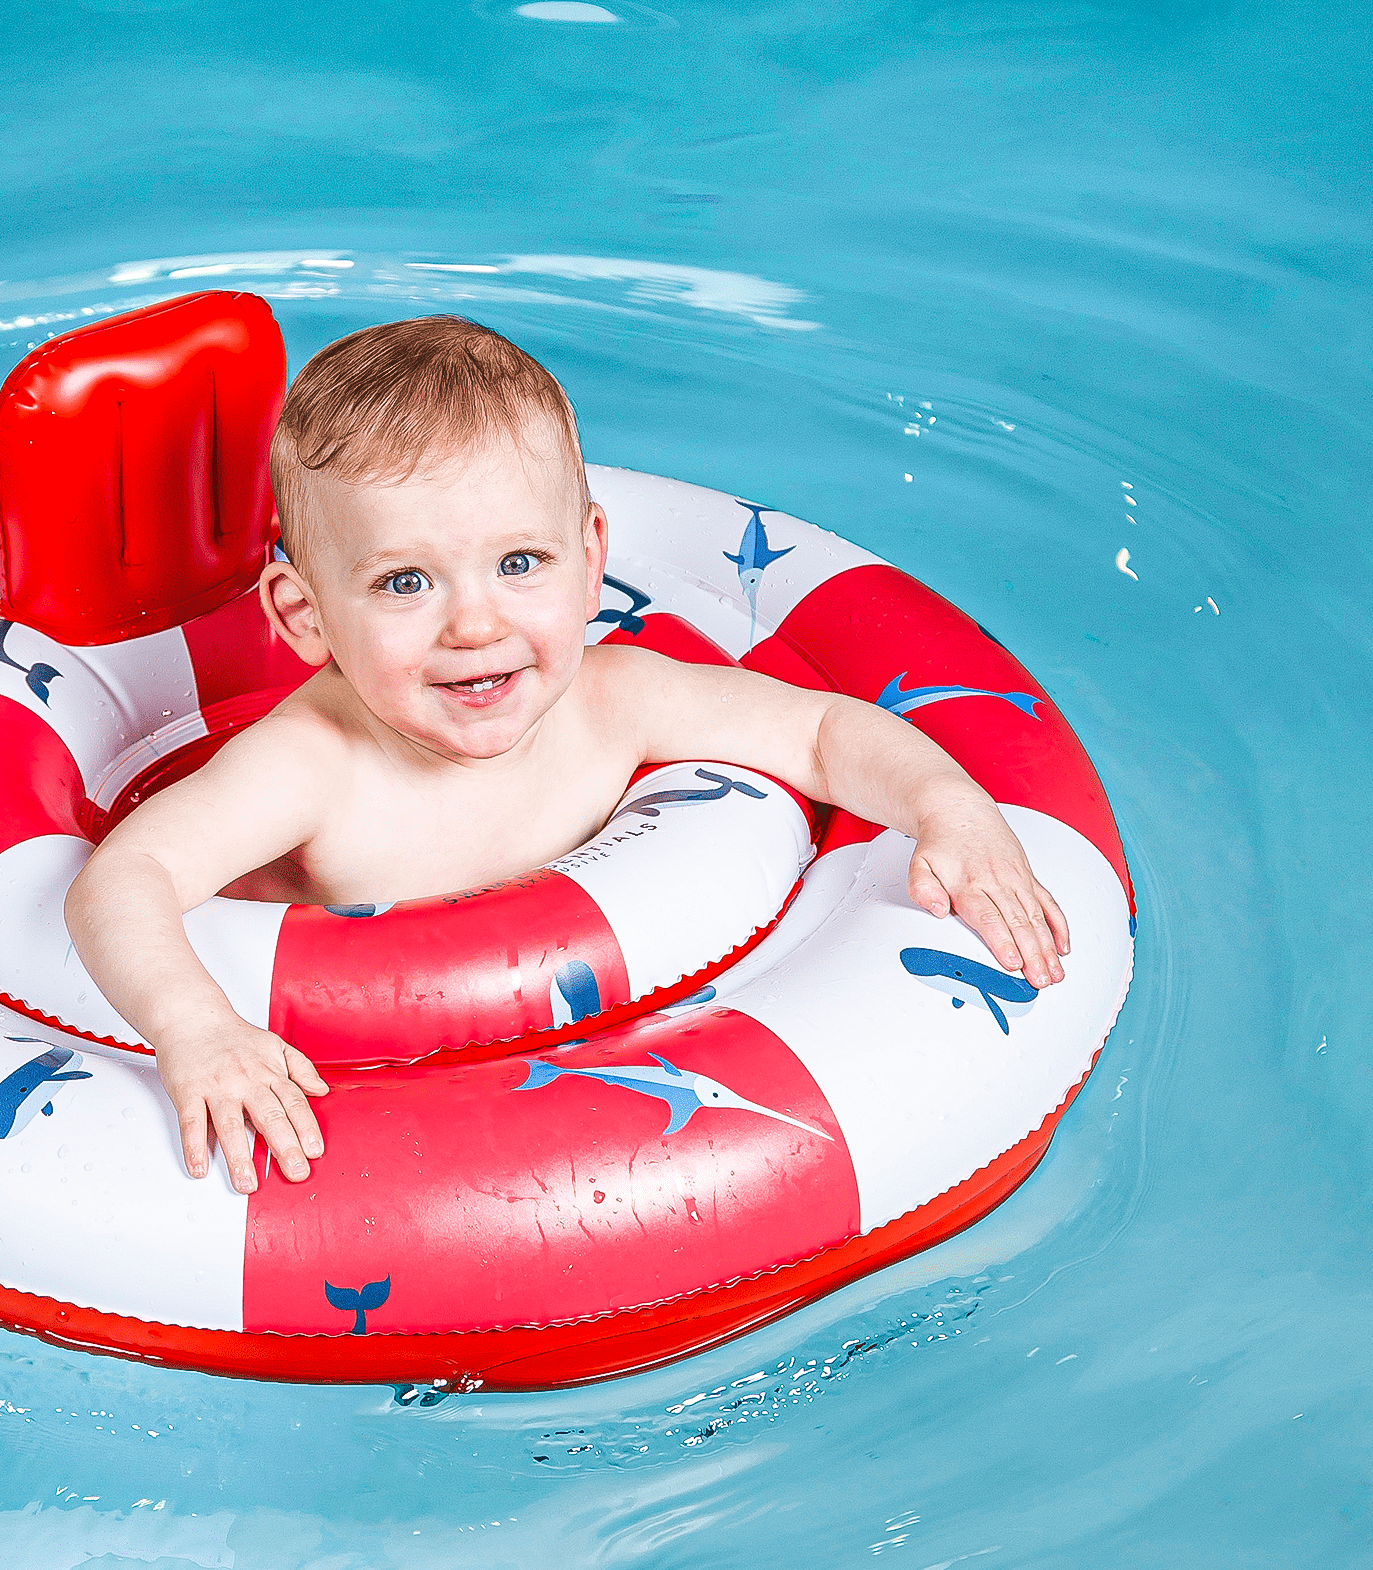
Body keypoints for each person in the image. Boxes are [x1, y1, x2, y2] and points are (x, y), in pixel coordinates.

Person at [63, 316, 1069, 1193]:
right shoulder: (310, 765)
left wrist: (949, 808)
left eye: (517, 563)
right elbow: (125, 878)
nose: (473, 622)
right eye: (404, 582)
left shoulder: (613, 698)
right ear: (303, 614)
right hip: (382, 1098)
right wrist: (199, 1029)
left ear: (590, 560)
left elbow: (819, 730)